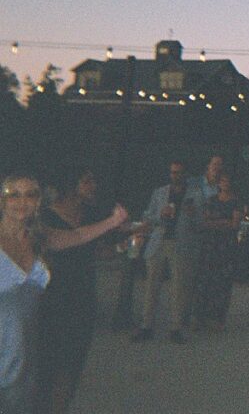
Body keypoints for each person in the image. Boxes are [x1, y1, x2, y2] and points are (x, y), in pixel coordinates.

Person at [0, 175, 126, 413]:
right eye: (13, 194)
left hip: (27, 351)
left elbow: (77, 236)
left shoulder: (39, 237)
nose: (22, 201)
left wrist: (112, 222)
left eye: (30, 194)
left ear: (38, 202)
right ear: (2, 201)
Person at [35, 169, 111, 414]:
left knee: (73, 360)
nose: (93, 186)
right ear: (71, 185)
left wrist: (121, 245)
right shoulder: (44, 217)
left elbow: (94, 248)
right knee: (48, 361)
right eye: (87, 181)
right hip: (53, 295)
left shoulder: (90, 214)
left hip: (83, 293)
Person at [133, 160, 205, 344]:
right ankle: (146, 326)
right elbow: (148, 216)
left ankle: (176, 328)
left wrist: (192, 214)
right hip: (159, 241)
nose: (176, 176)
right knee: (151, 286)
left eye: (179, 173)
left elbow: (200, 224)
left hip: (180, 244)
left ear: (185, 174)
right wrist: (160, 215)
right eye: (173, 172)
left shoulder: (195, 195)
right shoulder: (160, 193)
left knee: (178, 288)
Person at [194, 171, 243, 331]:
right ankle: (201, 316)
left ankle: (218, 318)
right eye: (222, 181)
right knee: (205, 281)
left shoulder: (236, 202)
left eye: (227, 181)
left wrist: (218, 222)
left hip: (227, 246)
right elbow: (206, 222)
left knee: (223, 283)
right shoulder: (211, 200)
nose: (224, 184)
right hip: (211, 245)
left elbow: (235, 224)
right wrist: (224, 222)